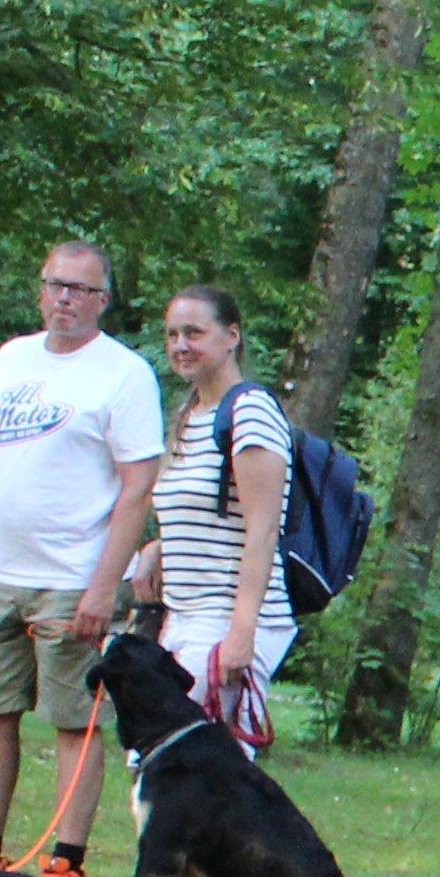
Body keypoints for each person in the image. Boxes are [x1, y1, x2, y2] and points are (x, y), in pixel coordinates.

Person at [0, 242, 167, 877]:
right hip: (2, 565)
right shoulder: (12, 359)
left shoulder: (123, 375)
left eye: (81, 290)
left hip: (73, 574)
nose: (65, 298)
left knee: (73, 719)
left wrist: (103, 584)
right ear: (40, 291)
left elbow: (137, 487)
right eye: (55, 285)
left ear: (102, 300)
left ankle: (67, 862)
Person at [142, 287, 292, 751]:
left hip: (229, 616)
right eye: (172, 335)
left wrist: (241, 633)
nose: (181, 345)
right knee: (164, 766)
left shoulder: (250, 411)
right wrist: (155, 551)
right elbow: (202, 512)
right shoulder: (189, 414)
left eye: (194, 332)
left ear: (231, 337)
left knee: (200, 772)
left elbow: (263, 528)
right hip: (184, 616)